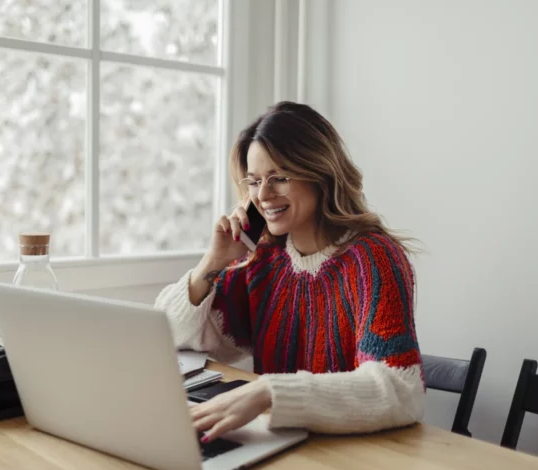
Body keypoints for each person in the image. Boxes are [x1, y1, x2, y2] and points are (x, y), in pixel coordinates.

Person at [154, 101, 424, 443]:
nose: (263, 195)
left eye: (279, 178)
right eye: (253, 182)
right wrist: (212, 263)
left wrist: (269, 391)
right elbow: (170, 336)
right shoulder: (265, 259)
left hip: (354, 453)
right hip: (284, 445)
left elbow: (400, 389)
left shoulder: (372, 259)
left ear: (320, 173)